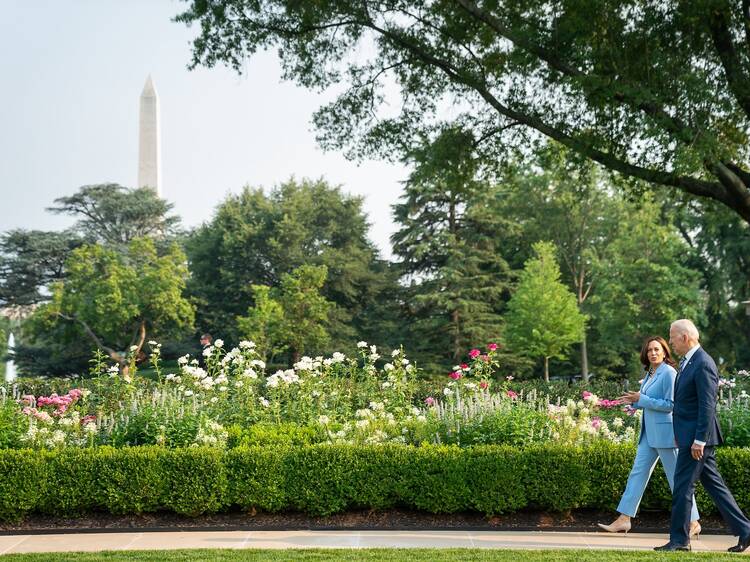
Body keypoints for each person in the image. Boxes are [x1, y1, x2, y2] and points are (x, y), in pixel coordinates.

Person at [655, 319, 750, 552]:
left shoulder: (703, 362)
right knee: (716, 487)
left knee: (682, 487)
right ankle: (746, 531)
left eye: (672, 336)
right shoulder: (689, 362)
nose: (670, 342)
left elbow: (708, 406)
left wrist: (699, 440)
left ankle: (679, 541)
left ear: (684, 337)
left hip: (697, 440)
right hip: (691, 438)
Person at [597, 336, 700, 536]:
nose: (653, 353)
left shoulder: (669, 373)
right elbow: (648, 400)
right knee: (637, 474)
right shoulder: (651, 374)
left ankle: (693, 521)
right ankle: (624, 519)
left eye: (657, 349)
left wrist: (641, 398)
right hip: (649, 435)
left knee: (676, 479)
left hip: (666, 435)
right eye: (650, 350)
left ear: (664, 352)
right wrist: (634, 400)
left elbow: (671, 405)